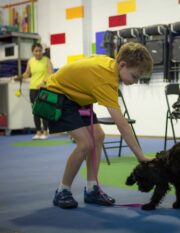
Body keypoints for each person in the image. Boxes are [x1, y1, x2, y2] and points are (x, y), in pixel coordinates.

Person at [46, 42, 153, 209]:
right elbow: (122, 125)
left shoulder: (111, 65)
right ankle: (62, 190)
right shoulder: (106, 80)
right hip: (57, 96)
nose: (135, 81)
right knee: (85, 144)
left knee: (98, 136)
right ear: (123, 64)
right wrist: (140, 156)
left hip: (76, 97)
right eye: (134, 76)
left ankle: (91, 189)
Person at [21, 43, 53, 140]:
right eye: (36, 51)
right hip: (33, 89)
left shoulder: (47, 60)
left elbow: (51, 73)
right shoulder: (30, 61)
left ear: (42, 51)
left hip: (44, 88)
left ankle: (46, 132)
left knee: (43, 111)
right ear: (33, 52)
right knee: (35, 111)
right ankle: (38, 132)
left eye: (40, 50)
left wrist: (43, 82)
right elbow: (27, 73)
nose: (38, 53)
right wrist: (19, 77)